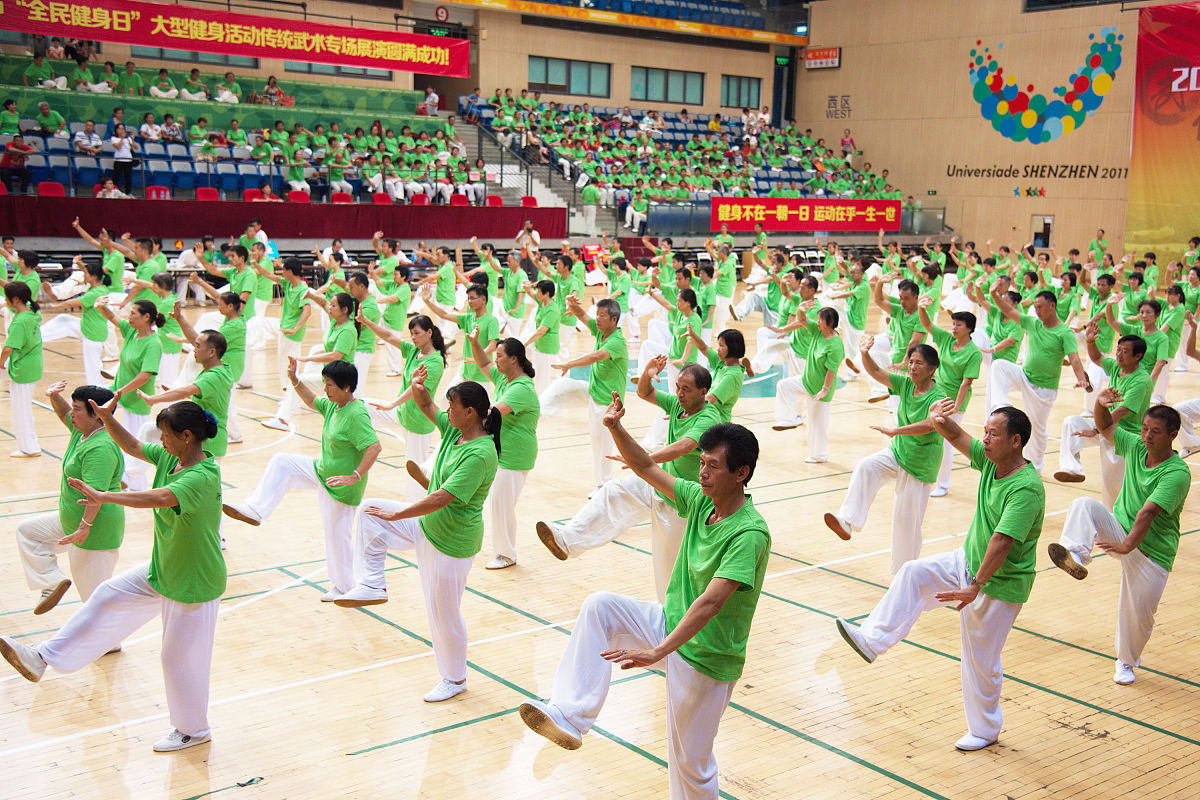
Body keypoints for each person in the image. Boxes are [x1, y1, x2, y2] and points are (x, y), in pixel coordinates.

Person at [520, 410, 769, 800]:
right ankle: (569, 714)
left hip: (708, 657)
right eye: (701, 463)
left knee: (691, 765)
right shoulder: (702, 502)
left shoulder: (749, 533)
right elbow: (644, 465)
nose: (702, 472)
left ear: (741, 473)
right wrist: (615, 426)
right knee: (600, 606)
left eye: (713, 466)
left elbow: (710, 604)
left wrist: (656, 652)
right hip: (671, 623)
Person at [1, 400, 225, 753]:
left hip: (194, 582)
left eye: (166, 435)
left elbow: (159, 497)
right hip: (163, 569)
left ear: (186, 436)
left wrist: (105, 496)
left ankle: (193, 730)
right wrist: (108, 419)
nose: (160, 440)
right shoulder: (173, 457)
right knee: (107, 594)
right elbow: (134, 446)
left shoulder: (201, 476)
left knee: (178, 659)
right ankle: (41, 657)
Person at [835, 402, 1044, 751]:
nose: (985, 439)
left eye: (994, 434)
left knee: (982, 660)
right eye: (986, 431)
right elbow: (958, 434)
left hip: (998, 585)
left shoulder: (1025, 487)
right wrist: (937, 418)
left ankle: (986, 730)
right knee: (913, 573)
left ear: (1016, 442)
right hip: (968, 562)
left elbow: (1003, 541)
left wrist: (974, 586)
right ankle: (871, 640)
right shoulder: (993, 462)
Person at [337, 368, 499, 705]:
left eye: (452, 406)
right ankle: (371, 582)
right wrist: (416, 385)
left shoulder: (481, 453)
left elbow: (442, 497)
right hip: (428, 526)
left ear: (469, 413)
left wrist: (399, 513)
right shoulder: (455, 432)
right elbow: (426, 406)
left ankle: (455, 678)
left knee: (444, 615)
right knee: (369, 510)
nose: (446, 411)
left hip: (452, 543)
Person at [537, 357, 722, 601]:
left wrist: (647, 460)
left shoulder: (708, 417)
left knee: (668, 569)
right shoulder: (679, 406)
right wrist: (648, 371)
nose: (678, 393)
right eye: (677, 387)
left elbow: (684, 446)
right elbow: (645, 392)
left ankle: (672, 617)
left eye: (685, 389)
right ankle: (566, 540)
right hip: (659, 484)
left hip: (683, 502)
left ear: (703, 392)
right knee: (613, 492)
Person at [1049, 396, 1188, 685]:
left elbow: (1148, 512)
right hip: (1120, 530)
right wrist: (1100, 402)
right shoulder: (1136, 446)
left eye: (1155, 431)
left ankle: (1126, 661)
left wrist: (1127, 547)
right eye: (1145, 428)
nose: (1147, 435)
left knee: (1139, 619)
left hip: (1153, 552)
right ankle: (1075, 555)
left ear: (1173, 436)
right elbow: (1105, 425)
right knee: (1083, 505)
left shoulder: (1177, 473)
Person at [224, 360, 380, 599]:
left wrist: (354, 476)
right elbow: (310, 400)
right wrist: (294, 379)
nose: (325, 390)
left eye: (330, 385)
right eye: (325, 384)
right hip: (320, 470)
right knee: (282, 462)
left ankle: (346, 588)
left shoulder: (356, 414)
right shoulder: (333, 406)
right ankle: (256, 509)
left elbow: (374, 447)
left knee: (337, 537)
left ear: (347, 387)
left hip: (340, 486)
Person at [824, 339, 946, 574]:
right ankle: (847, 521)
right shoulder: (906, 384)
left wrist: (896, 430)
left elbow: (931, 425)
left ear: (932, 369)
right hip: (899, 451)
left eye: (918, 363)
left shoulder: (938, 397)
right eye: (910, 362)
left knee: (906, 524)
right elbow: (877, 372)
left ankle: (905, 575)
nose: (912, 367)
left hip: (920, 464)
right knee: (866, 466)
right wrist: (864, 353)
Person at [17, 382, 123, 613]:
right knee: (28, 532)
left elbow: (94, 495)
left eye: (77, 409)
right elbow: (63, 413)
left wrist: (85, 527)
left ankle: (110, 643)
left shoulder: (101, 447)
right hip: (71, 520)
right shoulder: (83, 431)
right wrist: (54, 395)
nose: (71, 414)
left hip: (94, 530)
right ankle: (50, 580)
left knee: (94, 602)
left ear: (96, 414)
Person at [988, 285, 1092, 472]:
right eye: (1035, 307)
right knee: (999, 366)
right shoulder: (1032, 323)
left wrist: (1082, 378)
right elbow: (1008, 309)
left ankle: (1036, 466)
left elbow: (1074, 358)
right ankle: (1001, 403)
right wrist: (995, 294)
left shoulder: (1064, 332)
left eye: (1040, 307)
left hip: (1044, 388)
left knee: (1037, 428)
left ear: (1052, 306)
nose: (1037, 311)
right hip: (1024, 375)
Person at [463, 331, 540, 569]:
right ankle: (505, 551)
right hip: (502, 454)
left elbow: (492, 413)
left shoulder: (522, 388)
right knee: (499, 504)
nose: (495, 360)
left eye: (499, 356)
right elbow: (483, 363)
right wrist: (475, 343)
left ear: (514, 359)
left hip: (515, 456)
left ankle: (507, 554)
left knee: (502, 505)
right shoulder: (504, 379)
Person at [538, 296, 628, 492]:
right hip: (594, 390)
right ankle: (536, 413)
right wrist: (572, 303)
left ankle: (603, 485)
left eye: (602, 316)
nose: (597, 319)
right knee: (561, 386)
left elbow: (595, 356)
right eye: (597, 314)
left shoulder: (617, 341)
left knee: (600, 444)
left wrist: (568, 364)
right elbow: (582, 315)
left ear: (614, 319)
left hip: (608, 403)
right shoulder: (600, 331)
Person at [1054, 330, 1150, 506]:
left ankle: (1117, 522)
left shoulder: (1141, 380)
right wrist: (1090, 342)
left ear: (1138, 356)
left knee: (1113, 487)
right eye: (1118, 349)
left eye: (1125, 351)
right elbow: (1097, 357)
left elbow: (1121, 411)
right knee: (1071, 423)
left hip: (1125, 436)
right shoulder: (1116, 367)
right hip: (1106, 425)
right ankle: (1072, 468)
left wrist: (1097, 429)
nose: (1119, 354)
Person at [262, 292, 358, 431]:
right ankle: (294, 402)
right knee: (314, 352)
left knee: (299, 381)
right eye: (331, 305)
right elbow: (324, 303)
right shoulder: (335, 322)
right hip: (331, 371)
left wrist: (307, 358)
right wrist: (311, 296)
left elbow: (335, 355)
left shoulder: (348, 330)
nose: (330, 308)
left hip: (341, 378)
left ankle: (283, 419)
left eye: (334, 306)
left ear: (344, 310)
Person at [95, 298, 163, 489]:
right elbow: (113, 317)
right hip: (124, 398)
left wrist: (121, 390)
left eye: (133, 313)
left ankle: (136, 486)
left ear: (146, 317)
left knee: (136, 444)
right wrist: (102, 306)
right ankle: (135, 486)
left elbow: (145, 375)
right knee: (127, 442)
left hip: (138, 400)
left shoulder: (153, 344)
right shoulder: (132, 332)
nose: (129, 316)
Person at [916, 297, 981, 497]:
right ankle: (923, 474)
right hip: (934, 396)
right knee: (926, 435)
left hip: (953, 402)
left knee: (945, 441)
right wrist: (921, 307)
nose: (953, 327)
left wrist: (956, 408)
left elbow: (966, 383)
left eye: (958, 325)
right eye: (953, 323)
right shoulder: (945, 339)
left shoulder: (973, 353)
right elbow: (927, 324)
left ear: (969, 329)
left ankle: (943, 484)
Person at [774, 307, 844, 464]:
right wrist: (800, 309)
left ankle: (819, 455)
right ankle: (788, 418)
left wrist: (824, 390)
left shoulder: (835, 345)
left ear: (830, 323)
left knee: (817, 425)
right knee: (783, 386)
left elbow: (831, 371)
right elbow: (803, 320)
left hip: (820, 390)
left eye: (820, 320)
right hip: (806, 381)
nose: (817, 322)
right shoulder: (818, 331)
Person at [39, 259, 111, 385]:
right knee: (64, 320)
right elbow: (86, 272)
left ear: (94, 276)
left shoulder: (96, 292)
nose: (84, 275)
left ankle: (97, 391)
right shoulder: (97, 287)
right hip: (87, 326)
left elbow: (73, 302)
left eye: (86, 273)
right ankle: (36, 336)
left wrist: (55, 306)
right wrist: (80, 264)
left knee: (93, 366)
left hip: (93, 332)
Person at [2, 280, 44, 457]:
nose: (5, 300)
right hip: (33, 365)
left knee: (21, 410)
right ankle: (29, 444)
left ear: (16, 299)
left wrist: (0, 363)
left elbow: (8, 348)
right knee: (24, 408)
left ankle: (29, 447)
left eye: (7, 298)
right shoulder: (33, 313)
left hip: (24, 369)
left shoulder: (20, 322)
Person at [109, 122, 138, 196]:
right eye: (119, 129)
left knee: (128, 178)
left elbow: (135, 147)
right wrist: (121, 138)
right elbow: (118, 147)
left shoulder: (128, 139)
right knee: (116, 177)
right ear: (116, 130)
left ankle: (128, 192)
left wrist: (132, 140)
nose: (121, 130)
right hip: (119, 160)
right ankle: (114, 192)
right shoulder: (114, 138)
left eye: (122, 129)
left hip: (128, 160)